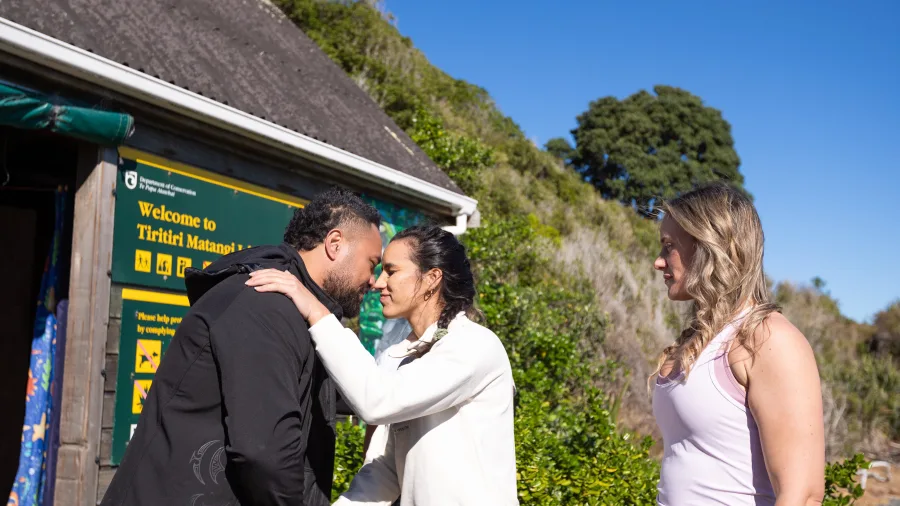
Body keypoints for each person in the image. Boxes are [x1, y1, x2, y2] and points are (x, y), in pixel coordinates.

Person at [100, 188, 384, 506]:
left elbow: (363, 394)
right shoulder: (265, 304)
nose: (374, 281)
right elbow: (265, 452)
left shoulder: (300, 314)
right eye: (372, 263)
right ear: (334, 243)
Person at [246, 224, 518, 505]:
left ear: (432, 279)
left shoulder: (473, 345)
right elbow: (384, 471)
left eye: (391, 271)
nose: (378, 283)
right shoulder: (399, 356)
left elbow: (376, 400)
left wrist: (316, 311)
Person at [651, 183, 825, 506]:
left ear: (708, 246)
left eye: (669, 246)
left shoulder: (768, 339)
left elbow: (802, 495)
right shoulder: (700, 337)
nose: (658, 262)